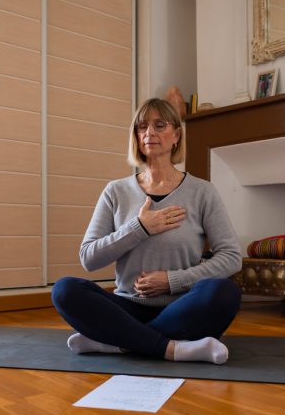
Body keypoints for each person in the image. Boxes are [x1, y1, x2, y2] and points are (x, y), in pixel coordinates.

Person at [51, 98, 243, 364]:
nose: (149, 133)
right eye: (142, 127)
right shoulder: (115, 191)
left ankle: (119, 343)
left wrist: (172, 280)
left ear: (176, 135)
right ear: (136, 137)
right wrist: (139, 227)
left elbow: (231, 257)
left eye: (159, 125)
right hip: (126, 307)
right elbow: (89, 258)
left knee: (225, 292)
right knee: (64, 290)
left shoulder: (203, 192)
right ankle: (173, 348)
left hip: (182, 306)